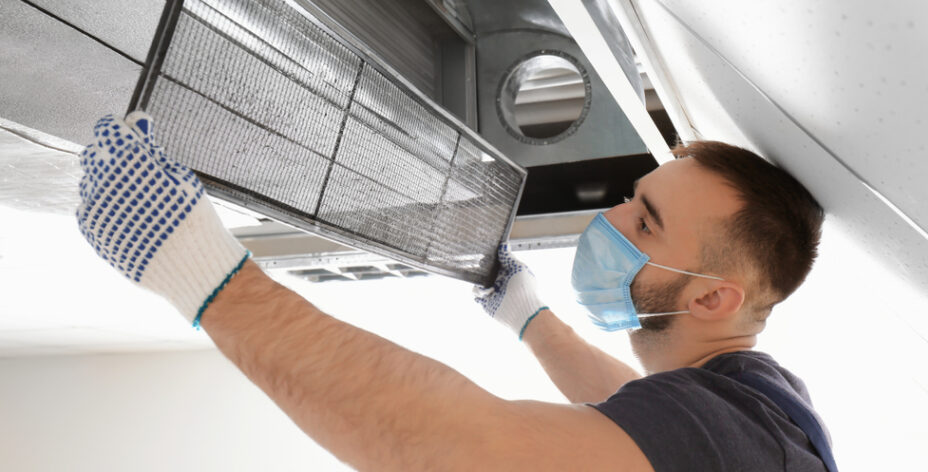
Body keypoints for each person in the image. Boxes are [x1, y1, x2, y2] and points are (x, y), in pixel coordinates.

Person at [76, 112, 830, 471]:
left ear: (711, 300)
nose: (610, 218)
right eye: (632, 198)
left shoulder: (745, 433)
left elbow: (458, 449)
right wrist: (526, 316)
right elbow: (630, 415)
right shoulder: (754, 405)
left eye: (646, 221)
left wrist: (205, 275)